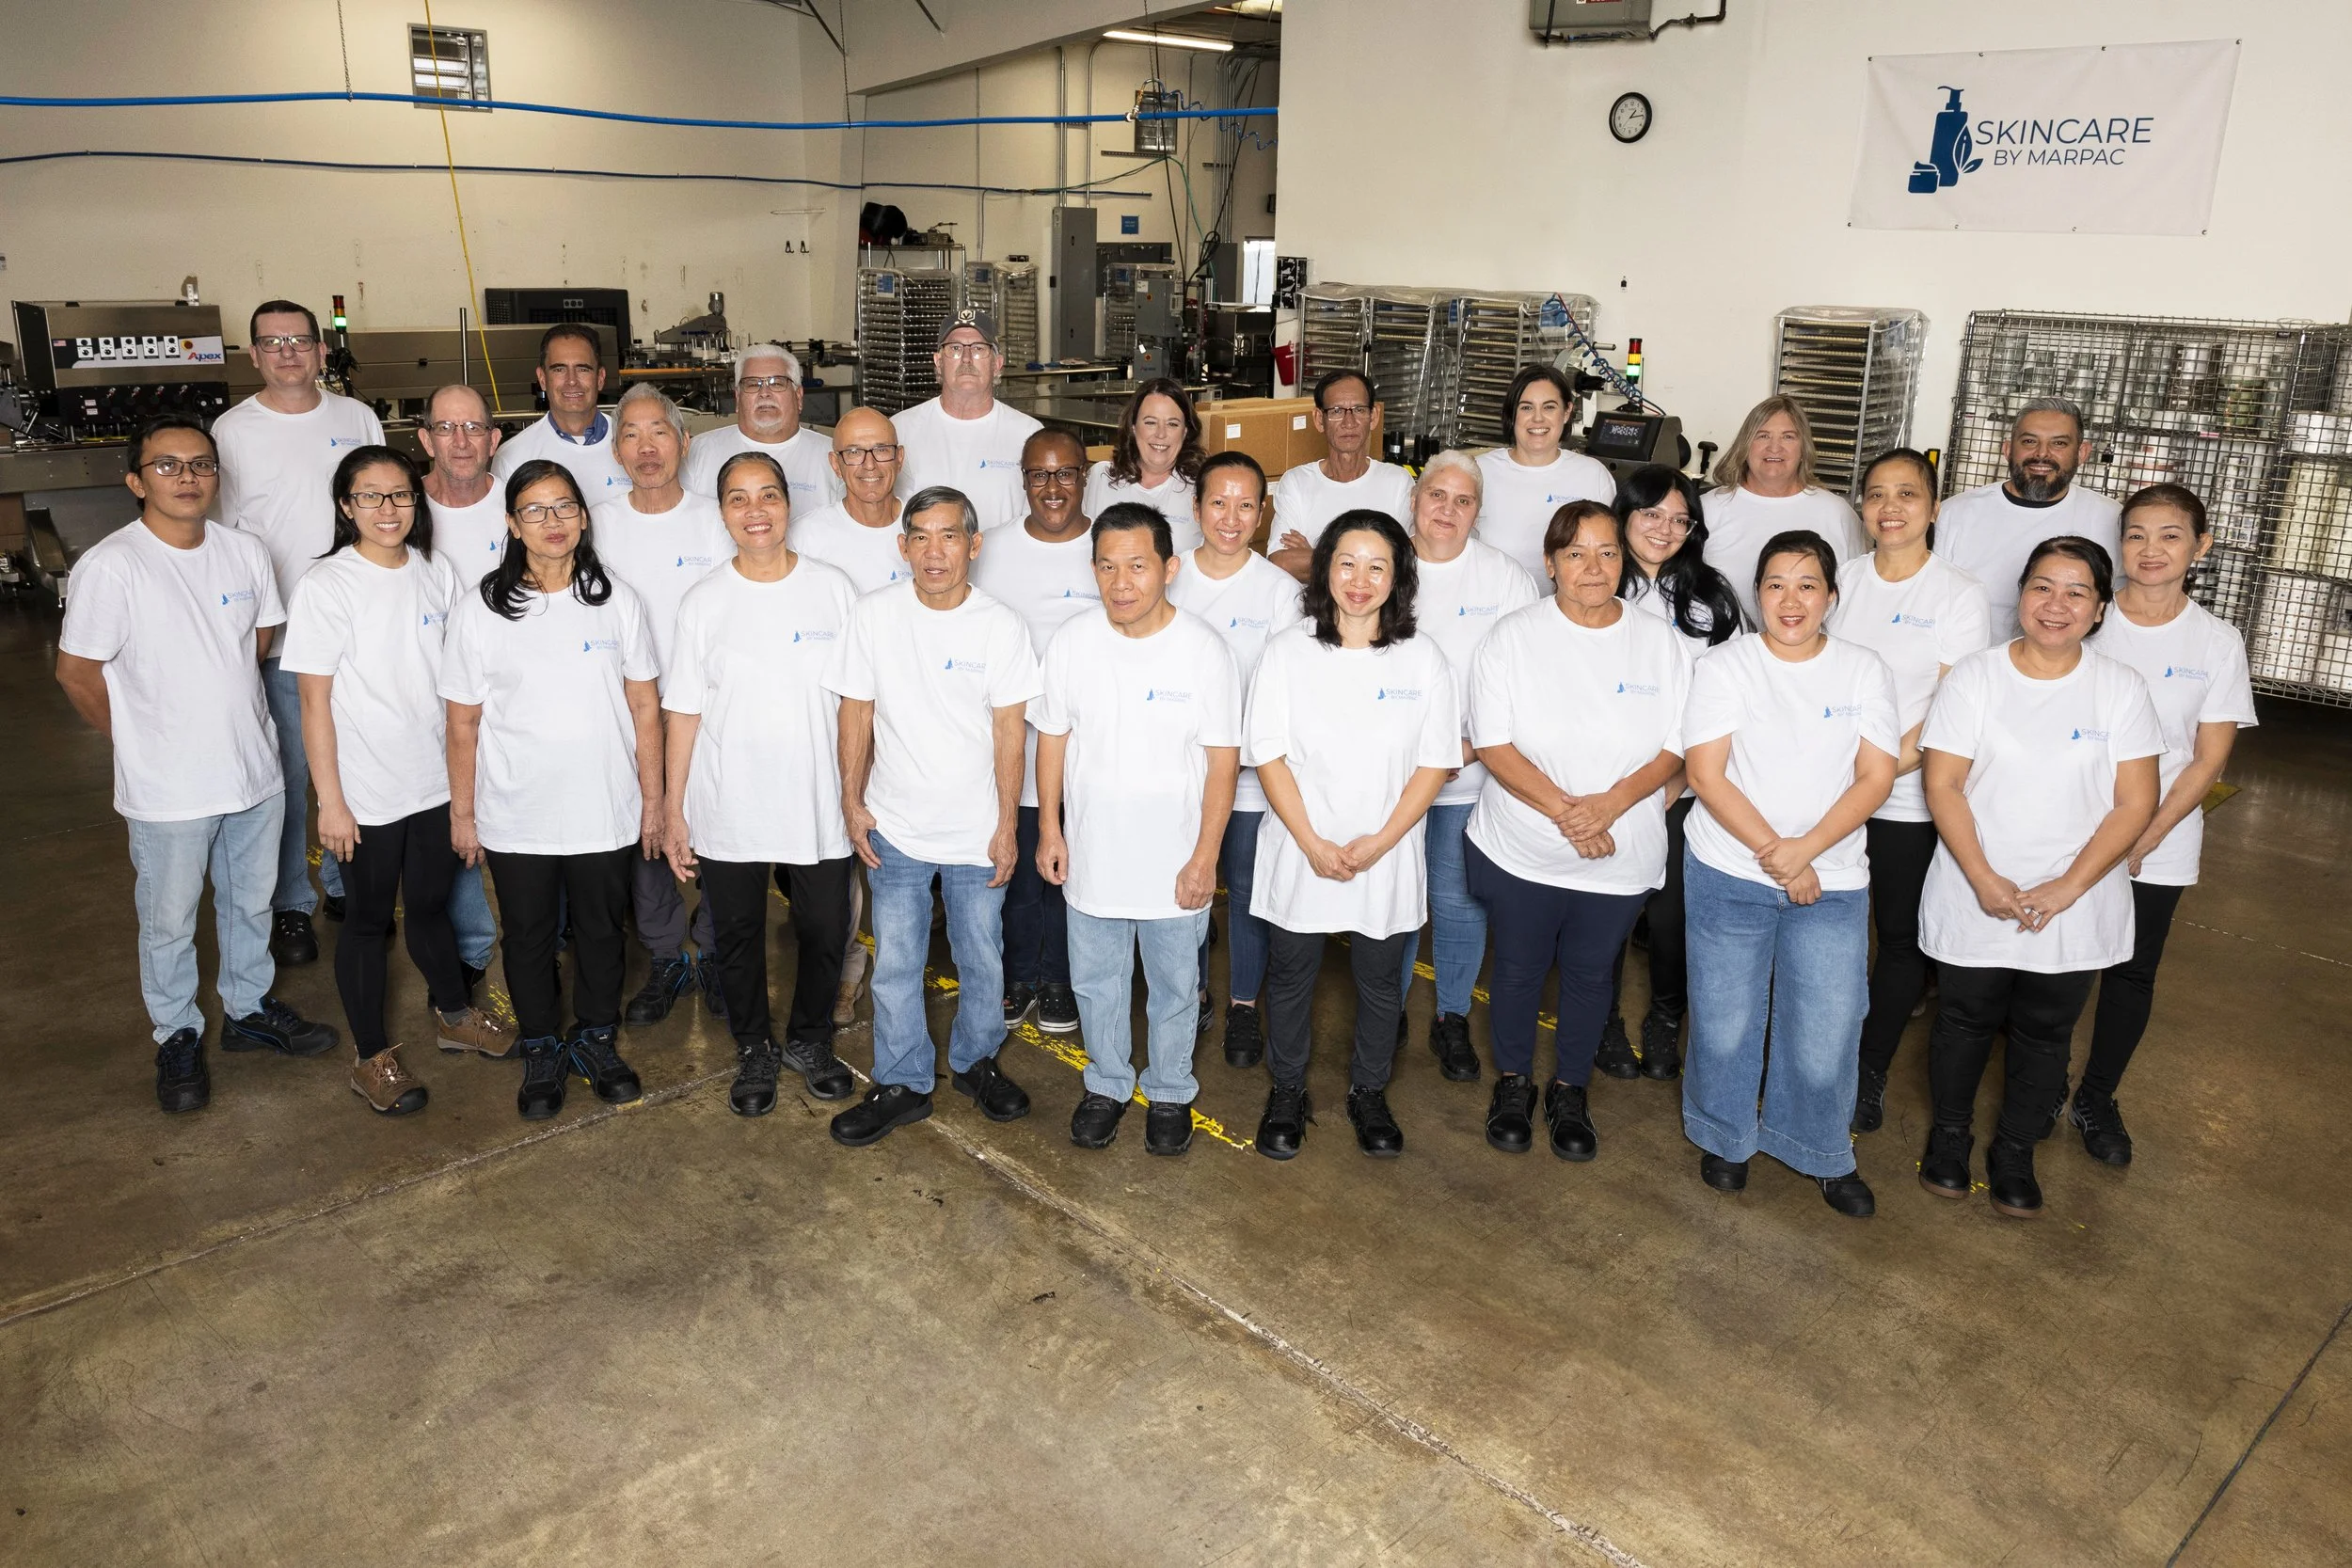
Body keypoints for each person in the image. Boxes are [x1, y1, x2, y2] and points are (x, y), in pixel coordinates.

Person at [55, 416, 339, 1114]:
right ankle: (178, 1033)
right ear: (135, 481)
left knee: (250, 902)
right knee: (171, 919)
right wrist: (142, 738)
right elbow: (77, 673)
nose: (188, 477)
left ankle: (247, 1009)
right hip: (168, 789)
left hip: (252, 772)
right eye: (167, 465)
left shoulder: (243, 552)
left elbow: (258, 638)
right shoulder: (112, 565)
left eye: (201, 464)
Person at [1916, 537, 2161, 1218]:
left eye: (2077, 592)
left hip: (2075, 895)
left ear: (2101, 608)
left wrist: (2067, 886)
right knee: (1964, 1018)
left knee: (2047, 1029)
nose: (2057, 605)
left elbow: (2135, 802)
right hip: (1977, 884)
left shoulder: (2119, 688)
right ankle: (1949, 1136)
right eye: (2042, 587)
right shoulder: (1975, 677)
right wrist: (1984, 877)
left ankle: (2015, 1149)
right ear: (2021, 595)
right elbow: (1945, 784)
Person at [279, 447, 515, 1115]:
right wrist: (331, 802)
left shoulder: (433, 572)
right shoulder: (328, 585)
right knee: (368, 921)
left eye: (401, 495)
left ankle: (453, 1014)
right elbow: (313, 703)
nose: (388, 509)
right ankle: (371, 1054)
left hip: (434, 784)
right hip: (368, 793)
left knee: (433, 906)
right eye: (371, 496)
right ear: (346, 506)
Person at [1680, 530, 1897, 1218]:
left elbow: (1876, 775)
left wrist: (1805, 853)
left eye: (1808, 584)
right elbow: (1706, 774)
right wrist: (1779, 852)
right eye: (1775, 583)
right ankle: (1726, 1134)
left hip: (1830, 877)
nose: (1791, 598)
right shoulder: (1726, 666)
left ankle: (1819, 1146)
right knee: (1725, 1015)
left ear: (1832, 596)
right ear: (1758, 593)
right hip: (1728, 868)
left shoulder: (1864, 670)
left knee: (1828, 1023)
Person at [1466, 500, 1689, 1162]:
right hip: (1525, 848)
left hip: (1619, 851)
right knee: (1518, 970)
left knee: (1593, 976)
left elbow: (1678, 746)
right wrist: (1571, 812)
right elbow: (1495, 744)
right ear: (1550, 563)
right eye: (1576, 554)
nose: (1594, 568)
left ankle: (1570, 1089)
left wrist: (1612, 803)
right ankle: (1512, 1083)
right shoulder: (1512, 636)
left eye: (1607, 552)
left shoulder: (1660, 641)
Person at [441, 460, 662, 1121]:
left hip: (605, 805)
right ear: (512, 524)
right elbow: (462, 720)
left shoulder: (617, 600)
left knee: (601, 930)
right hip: (517, 810)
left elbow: (645, 708)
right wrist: (464, 812)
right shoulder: (481, 609)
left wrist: (653, 802)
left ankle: (596, 1036)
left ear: (584, 515)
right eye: (534, 510)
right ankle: (541, 1043)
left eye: (564, 507)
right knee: (529, 934)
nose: (552, 522)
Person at [825, 485, 1043, 1148]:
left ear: (974, 545)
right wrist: (851, 801)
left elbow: (1011, 733)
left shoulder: (1000, 625)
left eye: (949, 535)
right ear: (902, 546)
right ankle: (902, 1081)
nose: (934, 550)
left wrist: (1008, 823)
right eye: (919, 535)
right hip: (896, 824)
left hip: (975, 830)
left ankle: (976, 1062)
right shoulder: (873, 616)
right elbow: (855, 712)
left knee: (983, 957)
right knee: (896, 960)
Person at [1244, 510, 1459, 1160]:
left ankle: (1369, 1090)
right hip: (1299, 845)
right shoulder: (1287, 653)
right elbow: (1268, 753)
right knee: (1290, 977)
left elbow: (1435, 762)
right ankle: (1287, 1090)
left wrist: (1383, 840)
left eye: (1377, 566)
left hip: (1385, 852)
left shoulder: (1423, 659)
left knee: (1379, 981)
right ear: (1324, 569)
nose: (1359, 580)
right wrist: (1311, 841)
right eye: (1346, 562)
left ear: (1398, 578)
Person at [1034, 502, 1242, 1154]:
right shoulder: (1073, 642)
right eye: (1107, 567)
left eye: (1137, 566)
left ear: (1169, 568)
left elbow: (1222, 763)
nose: (1121, 582)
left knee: (1177, 987)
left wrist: (1205, 855)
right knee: (1096, 982)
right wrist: (1049, 827)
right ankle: (1107, 1082)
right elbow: (1053, 740)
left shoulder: (1205, 650)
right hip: (1094, 853)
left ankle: (1171, 1088)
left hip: (1175, 860)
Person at [661, 451, 860, 1117]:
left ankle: (809, 1038)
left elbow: (859, 702)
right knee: (738, 934)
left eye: (768, 495)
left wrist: (857, 791)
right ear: (721, 512)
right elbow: (683, 711)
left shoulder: (834, 589)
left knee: (826, 927)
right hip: (730, 800)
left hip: (819, 798)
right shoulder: (704, 602)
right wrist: (672, 808)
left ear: (788, 503)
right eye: (739, 498)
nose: (755, 511)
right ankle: (754, 1047)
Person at [2077, 485, 2255, 1165]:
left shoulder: (2215, 641)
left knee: (2130, 970)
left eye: (2170, 536)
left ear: (2200, 547)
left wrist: (2141, 838)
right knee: (2056, 968)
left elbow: (2208, 758)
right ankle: (2040, 1090)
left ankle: (2097, 1096)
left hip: (2160, 841)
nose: (2151, 551)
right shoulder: (2086, 617)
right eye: (2137, 535)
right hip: (2067, 826)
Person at [1824, 450, 1994, 1135]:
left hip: (1902, 801)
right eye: (1875, 494)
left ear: (1933, 507)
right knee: (1823, 928)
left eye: (1906, 494)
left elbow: (1950, 712)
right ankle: (1816, 1056)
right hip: (1826, 791)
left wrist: (1870, 778)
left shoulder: (1957, 594)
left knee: (1897, 941)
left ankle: (1868, 1070)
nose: (1889, 507)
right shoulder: (1842, 580)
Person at [214, 299, 386, 968]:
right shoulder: (232, 431)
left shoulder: (357, 417)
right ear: (253, 355)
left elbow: (382, 505)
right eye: (272, 342)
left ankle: (349, 884)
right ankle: (291, 904)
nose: (287, 351)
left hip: (362, 634)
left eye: (299, 340)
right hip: (282, 640)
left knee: (358, 769)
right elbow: (223, 543)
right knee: (288, 779)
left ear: (320, 350)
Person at [589, 383, 735, 1025]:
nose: (646, 447)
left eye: (659, 432)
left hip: (714, 709)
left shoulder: (719, 516)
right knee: (646, 835)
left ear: (684, 442)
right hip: (630, 711)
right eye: (631, 434)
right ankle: (666, 955)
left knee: (723, 835)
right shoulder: (597, 522)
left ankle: (716, 949)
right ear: (616, 449)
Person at [1396, 451, 1542, 1078]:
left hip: (1470, 775)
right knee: (1395, 897)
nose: (1447, 510)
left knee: (1457, 902)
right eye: (1437, 495)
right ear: (1414, 500)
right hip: (1392, 776)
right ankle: (1388, 1009)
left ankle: (1451, 1016)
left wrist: (1471, 746)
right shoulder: (1380, 563)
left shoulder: (1505, 580)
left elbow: (1524, 684)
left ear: (1478, 511)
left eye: (1463, 500)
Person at [1596, 466, 1740, 1080]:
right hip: (1602, 784)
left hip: (1682, 785)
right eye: (1652, 514)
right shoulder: (1594, 583)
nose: (1666, 529)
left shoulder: (1709, 596)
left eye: (1680, 519)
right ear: (1624, 514)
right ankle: (1602, 1022)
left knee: (1671, 917)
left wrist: (1673, 785)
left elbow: (1720, 700)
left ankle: (1664, 1018)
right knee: (1604, 912)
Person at [1168, 451, 1306, 1069]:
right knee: (1189, 889)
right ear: (1196, 508)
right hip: (1179, 775)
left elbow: (1289, 689)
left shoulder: (1280, 592)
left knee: (1248, 892)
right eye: (1217, 502)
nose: (1230, 516)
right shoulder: (1168, 576)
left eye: (1245, 503)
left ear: (1262, 512)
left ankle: (1243, 1005)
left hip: (1251, 781)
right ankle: (1193, 993)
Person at [971, 428, 1102, 1037]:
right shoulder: (990, 549)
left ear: (1086, 477)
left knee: (1071, 872)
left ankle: (1060, 979)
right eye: (1039, 475)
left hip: (1090, 753)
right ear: (1022, 480)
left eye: (1066, 473)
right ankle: (1019, 975)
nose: (1053, 487)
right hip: (1011, 752)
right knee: (1018, 870)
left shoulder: (1110, 544)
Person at [415, 383, 520, 988]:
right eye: (447, 428)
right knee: (447, 823)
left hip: (508, 699)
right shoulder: (402, 508)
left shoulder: (518, 505)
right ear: (426, 437)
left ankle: (532, 937)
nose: (461, 441)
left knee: (516, 824)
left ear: (493, 439)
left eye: (474, 428)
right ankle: (472, 947)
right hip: (423, 698)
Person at [1936, 397, 2123, 637]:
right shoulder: (1955, 514)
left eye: (2059, 443)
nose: (2042, 454)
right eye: (2029, 441)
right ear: (2007, 449)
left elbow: (2131, 603)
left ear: (2082, 453)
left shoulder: (2111, 519)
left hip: (2069, 669)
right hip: (1966, 667)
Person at [1702, 396, 1869, 629]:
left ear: (1804, 448)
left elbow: (1855, 597)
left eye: (1788, 437)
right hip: (1722, 653)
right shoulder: (1708, 509)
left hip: (1813, 657)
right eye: (1763, 435)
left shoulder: (1837, 513)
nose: (1774, 447)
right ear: (1745, 445)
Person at [893, 309, 1043, 533]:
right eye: (954, 348)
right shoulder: (900, 430)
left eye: (979, 349)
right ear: (938, 361)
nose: (966, 358)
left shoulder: (1028, 434)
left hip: (1003, 566)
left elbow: (1038, 518)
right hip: (926, 567)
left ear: (997, 364)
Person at [1471, 365, 1617, 582]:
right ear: (1513, 414)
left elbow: (1612, 553)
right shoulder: (1479, 472)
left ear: (1567, 412)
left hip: (1571, 612)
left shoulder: (1593, 475)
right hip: (1493, 609)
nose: (1537, 419)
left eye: (1549, 407)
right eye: (1526, 408)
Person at [1266, 371, 1416, 580]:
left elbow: (1406, 563)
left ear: (1373, 417)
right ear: (1320, 419)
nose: (1349, 422)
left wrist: (1317, 555)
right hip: (1314, 612)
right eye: (1337, 411)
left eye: (1359, 410)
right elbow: (1281, 563)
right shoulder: (1297, 483)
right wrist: (1371, 563)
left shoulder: (1398, 482)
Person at [680, 342, 838, 513]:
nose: (764, 393)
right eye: (753, 384)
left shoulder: (833, 456)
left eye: (777, 383)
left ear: (798, 397)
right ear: (737, 398)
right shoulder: (698, 453)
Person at [490, 323, 630, 502]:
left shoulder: (633, 446)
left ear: (600, 378)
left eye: (582, 369)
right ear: (542, 379)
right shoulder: (513, 457)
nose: (571, 381)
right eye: (559, 369)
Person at [794, 406, 914, 596]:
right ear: (835, 464)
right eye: (854, 452)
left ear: (899, 458)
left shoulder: (925, 529)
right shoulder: (805, 537)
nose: (869, 465)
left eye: (881, 450)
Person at [1083, 378, 1204, 552]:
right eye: (1150, 422)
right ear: (1133, 427)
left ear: (1185, 432)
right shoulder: (1100, 477)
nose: (1161, 434)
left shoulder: (1201, 487)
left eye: (1172, 424)